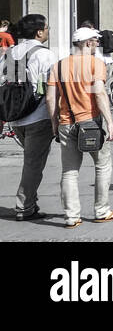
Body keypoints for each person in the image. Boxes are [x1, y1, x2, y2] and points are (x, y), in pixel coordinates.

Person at [45, 27, 113, 228]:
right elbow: (100, 94)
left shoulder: (58, 66)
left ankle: (71, 216)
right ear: (87, 43)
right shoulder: (96, 64)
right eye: (95, 40)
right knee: (102, 165)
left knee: (69, 171)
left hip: (66, 123)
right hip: (90, 123)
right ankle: (102, 210)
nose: (97, 44)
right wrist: (110, 122)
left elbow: (51, 98)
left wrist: (54, 123)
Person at [3, 15, 56, 220]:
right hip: (39, 115)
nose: (48, 31)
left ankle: (29, 202)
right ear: (39, 32)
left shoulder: (12, 52)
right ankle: (24, 206)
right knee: (33, 163)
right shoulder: (45, 55)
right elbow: (53, 88)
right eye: (47, 28)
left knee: (31, 160)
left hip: (16, 117)